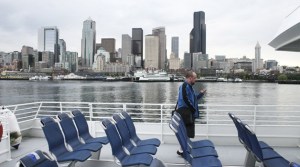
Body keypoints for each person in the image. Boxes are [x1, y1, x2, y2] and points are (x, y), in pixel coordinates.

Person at [175, 70, 206, 155]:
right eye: (195, 78)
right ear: (190, 78)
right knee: (186, 131)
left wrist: (201, 94)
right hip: (185, 112)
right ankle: (182, 150)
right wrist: (193, 109)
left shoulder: (189, 87)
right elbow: (185, 99)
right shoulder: (185, 86)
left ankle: (183, 149)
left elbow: (193, 98)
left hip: (187, 112)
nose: (196, 80)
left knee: (187, 132)